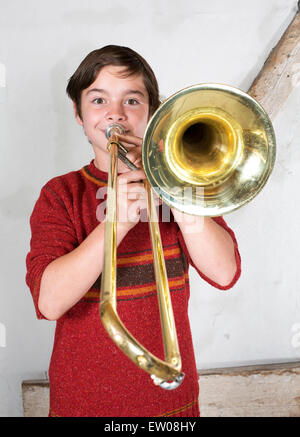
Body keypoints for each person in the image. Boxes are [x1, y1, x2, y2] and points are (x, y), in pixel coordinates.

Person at [25, 45, 241, 417]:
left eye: (132, 100)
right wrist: (116, 224)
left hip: (172, 405)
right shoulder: (60, 194)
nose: (115, 114)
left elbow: (225, 273)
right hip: (83, 405)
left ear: (153, 112)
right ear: (78, 113)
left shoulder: (184, 185)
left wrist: (174, 191)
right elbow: (49, 302)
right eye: (98, 100)